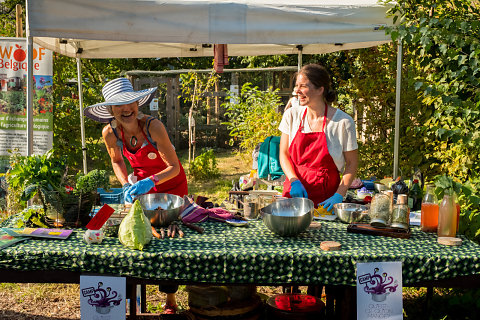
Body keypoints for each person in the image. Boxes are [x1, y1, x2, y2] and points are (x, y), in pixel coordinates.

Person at [84, 77, 188, 314]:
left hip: (170, 187)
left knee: (167, 240)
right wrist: (126, 183)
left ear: (137, 102)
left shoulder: (154, 127)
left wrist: (150, 182)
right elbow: (117, 161)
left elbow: (174, 167)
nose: (126, 108)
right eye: (118, 105)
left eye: (129, 102)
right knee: (141, 237)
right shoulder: (109, 133)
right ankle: (132, 301)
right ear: (110, 109)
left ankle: (170, 298)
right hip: (141, 187)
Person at [279, 64, 358, 211]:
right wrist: (293, 180)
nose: (297, 91)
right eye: (297, 86)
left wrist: (339, 194)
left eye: (303, 86)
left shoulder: (343, 122)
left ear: (320, 89)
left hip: (326, 199)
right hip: (295, 194)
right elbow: (283, 154)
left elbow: (352, 163)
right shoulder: (291, 115)